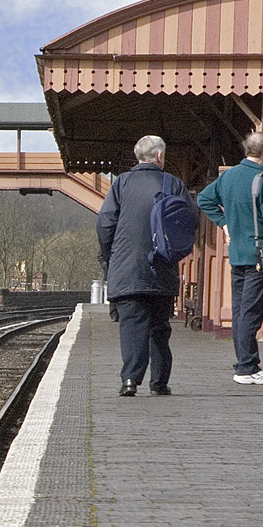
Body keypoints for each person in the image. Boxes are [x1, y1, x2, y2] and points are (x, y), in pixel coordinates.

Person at [96, 134, 194, 397]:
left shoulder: (121, 183)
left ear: (138, 156)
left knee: (131, 324)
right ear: (160, 156)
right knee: (160, 326)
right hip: (161, 267)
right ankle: (159, 382)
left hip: (126, 267)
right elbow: (189, 222)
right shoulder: (173, 183)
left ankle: (130, 380)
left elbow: (105, 224)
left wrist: (110, 256)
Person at [197, 131, 263, 384]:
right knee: (251, 313)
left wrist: (224, 222)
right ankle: (246, 367)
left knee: (240, 311)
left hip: (238, 254)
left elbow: (204, 199)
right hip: (261, 254)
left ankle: (246, 365)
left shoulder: (228, 177)